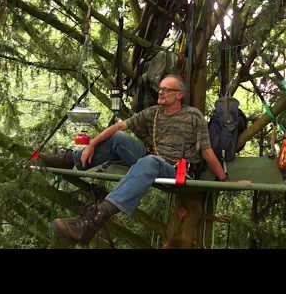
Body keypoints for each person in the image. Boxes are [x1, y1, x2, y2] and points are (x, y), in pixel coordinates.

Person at [40, 74, 227, 244]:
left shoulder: (193, 115)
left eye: (166, 89)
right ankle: (71, 159)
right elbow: (119, 127)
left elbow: (206, 151)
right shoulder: (153, 112)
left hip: (177, 170)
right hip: (152, 159)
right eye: (160, 89)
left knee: (150, 161)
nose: (160, 92)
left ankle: (91, 222)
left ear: (179, 95)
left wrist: (224, 179)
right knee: (119, 139)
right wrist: (91, 144)